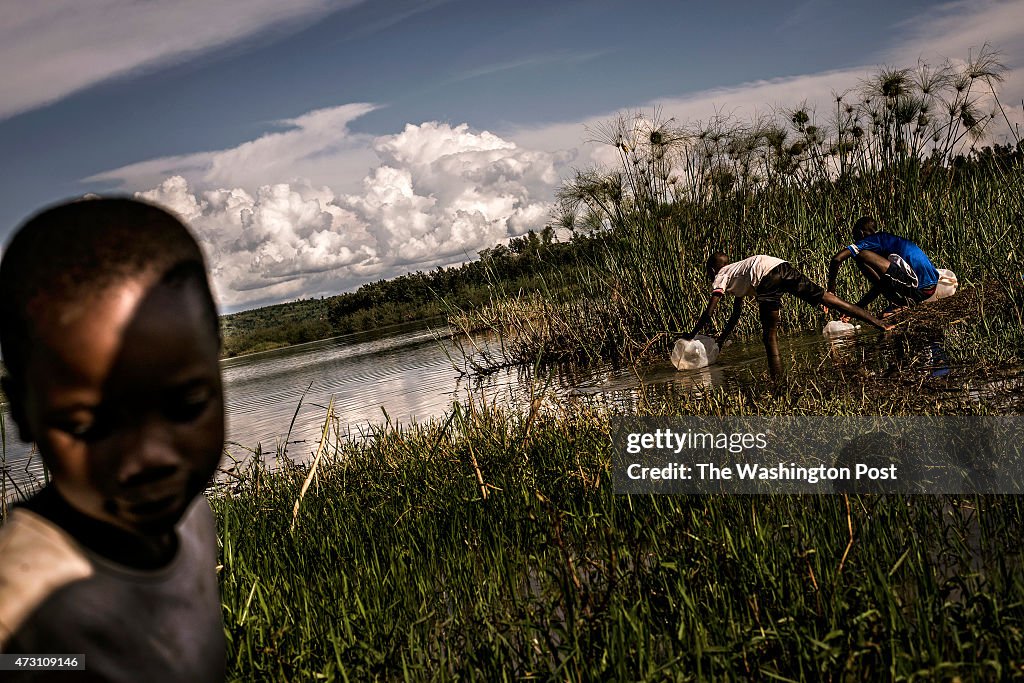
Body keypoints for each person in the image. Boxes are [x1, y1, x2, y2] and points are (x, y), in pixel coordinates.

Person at [0, 198, 226, 682]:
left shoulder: (191, 520)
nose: (149, 458)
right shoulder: (18, 608)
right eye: (90, 426)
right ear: (22, 412)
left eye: (186, 408)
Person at [689, 253, 890, 377]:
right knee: (828, 298)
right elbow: (736, 313)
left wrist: (690, 335)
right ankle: (879, 323)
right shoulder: (736, 270)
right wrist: (721, 340)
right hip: (780, 265)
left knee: (769, 336)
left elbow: (709, 311)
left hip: (765, 276)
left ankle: (778, 384)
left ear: (712, 269)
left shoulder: (720, 275)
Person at [826, 216, 940, 316]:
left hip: (920, 290)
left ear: (860, 233)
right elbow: (882, 285)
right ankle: (900, 302)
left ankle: (901, 303)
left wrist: (831, 291)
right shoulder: (886, 240)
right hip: (930, 287)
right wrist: (856, 308)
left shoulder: (869, 241)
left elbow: (837, 258)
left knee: (860, 255)